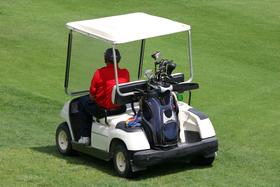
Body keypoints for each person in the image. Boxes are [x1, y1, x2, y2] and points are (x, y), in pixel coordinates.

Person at [78, 48, 130, 145]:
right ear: (119, 60)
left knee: (82, 102)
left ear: (105, 59)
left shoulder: (99, 73)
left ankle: (85, 136)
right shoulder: (125, 73)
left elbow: (92, 97)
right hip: (120, 108)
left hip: (104, 112)